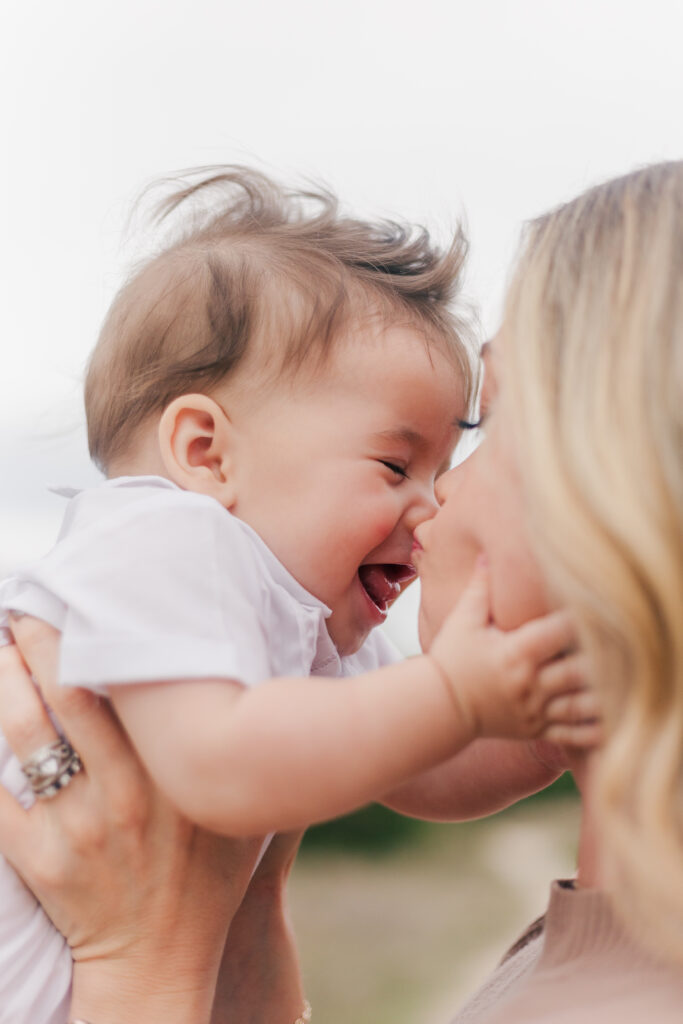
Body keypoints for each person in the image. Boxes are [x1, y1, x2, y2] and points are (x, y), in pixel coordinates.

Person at [0, 167, 591, 1024]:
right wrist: (458, 691)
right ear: (206, 453)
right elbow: (219, 771)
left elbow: (428, 773)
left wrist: (547, 724)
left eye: (439, 469)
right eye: (394, 466)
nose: (430, 506)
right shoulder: (167, 540)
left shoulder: (292, 620)